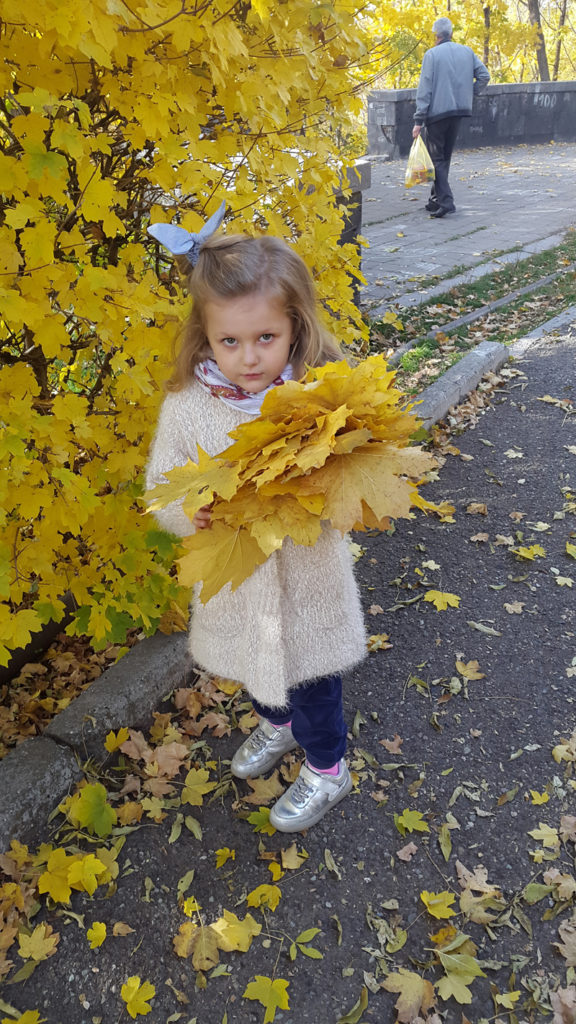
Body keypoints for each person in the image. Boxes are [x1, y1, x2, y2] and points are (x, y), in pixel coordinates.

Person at [146, 211, 367, 832]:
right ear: (206, 335)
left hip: (309, 581)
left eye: (266, 338)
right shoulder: (188, 406)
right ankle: (278, 725)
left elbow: (354, 485)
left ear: (295, 327)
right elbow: (162, 486)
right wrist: (189, 510)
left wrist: (322, 488)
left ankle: (327, 766)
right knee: (256, 668)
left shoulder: (322, 397)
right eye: (230, 342)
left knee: (314, 683)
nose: (248, 358)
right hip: (239, 581)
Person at [412, 16, 490, 218]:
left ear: (436, 36)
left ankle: (446, 202)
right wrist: (470, 93)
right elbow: (484, 76)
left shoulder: (432, 55)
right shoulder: (467, 51)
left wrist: (418, 120)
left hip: (437, 114)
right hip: (459, 112)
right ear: (451, 34)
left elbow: (425, 88)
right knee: (444, 157)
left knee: (436, 158)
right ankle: (435, 199)